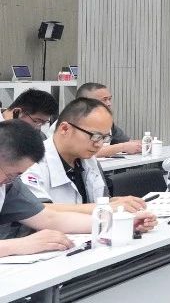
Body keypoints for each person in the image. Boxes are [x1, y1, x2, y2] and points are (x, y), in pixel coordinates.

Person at [0, 121, 99, 303]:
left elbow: (49, 218)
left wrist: (108, 222)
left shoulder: (9, 184)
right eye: (9, 173)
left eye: (16, 176)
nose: (8, 180)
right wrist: (19, 245)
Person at [21, 97, 155, 231]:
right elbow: (37, 210)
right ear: (65, 129)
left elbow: (100, 201)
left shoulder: (88, 159)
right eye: (95, 136)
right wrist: (106, 207)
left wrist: (123, 208)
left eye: (104, 138)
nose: (99, 144)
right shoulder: (30, 161)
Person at [75, 82, 144, 157]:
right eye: (104, 100)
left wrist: (148, 143)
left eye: (109, 99)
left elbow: (128, 143)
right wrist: (122, 147)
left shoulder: (107, 123)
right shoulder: (75, 124)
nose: (109, 103)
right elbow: (85, 152)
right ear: (86, 102)